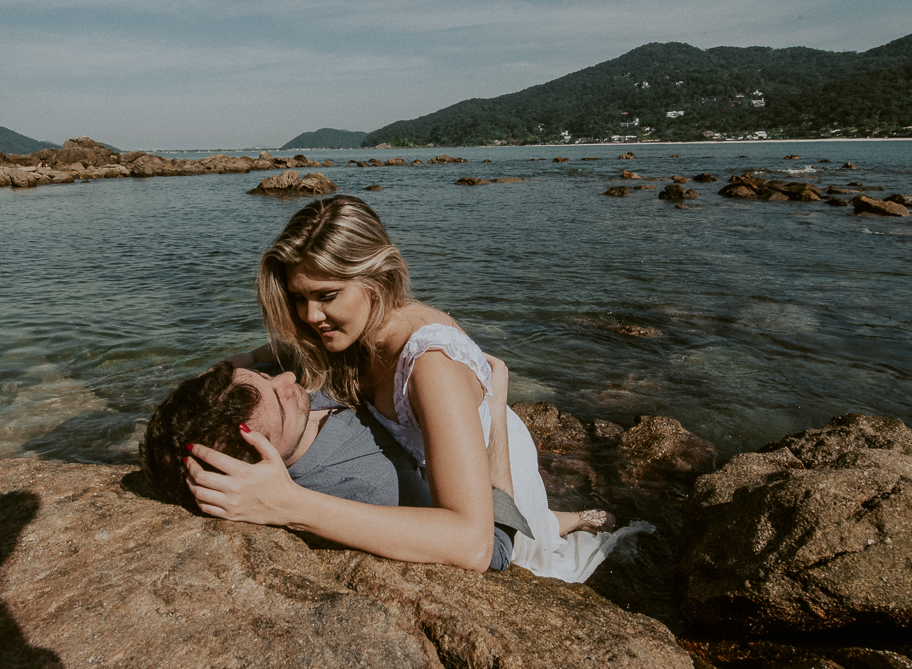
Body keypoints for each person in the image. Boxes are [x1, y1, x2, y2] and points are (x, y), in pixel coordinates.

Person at [185, 195, 649, 580]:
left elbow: (472, 543)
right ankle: (562, 520)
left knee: (531, 554)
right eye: (298, 297)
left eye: (326, 296)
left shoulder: (430, 363)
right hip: (441, 463)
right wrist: (215, 381)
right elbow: (263, 354)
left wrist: (288, 504)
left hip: (482, 468)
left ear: (377, 279)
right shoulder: (342, 328)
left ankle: (563, 523)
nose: (308, 316)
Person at [140, 359, 525, 570]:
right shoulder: (366, 488)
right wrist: (496, 410)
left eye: (267, 376)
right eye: (283, 401)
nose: (289, 378)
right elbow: (493, 549)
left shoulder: (282, 408)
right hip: (481, 446)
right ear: (262, 463)